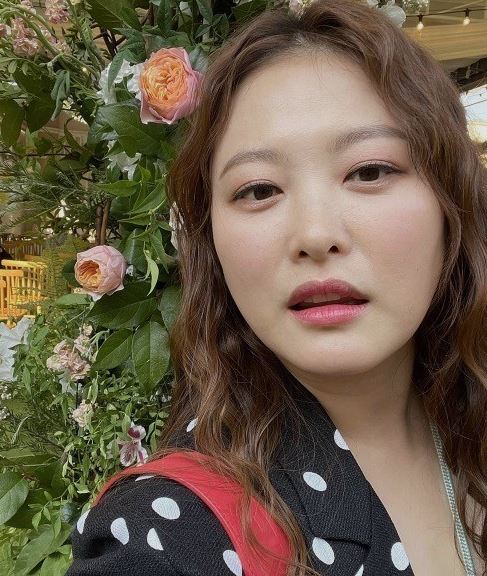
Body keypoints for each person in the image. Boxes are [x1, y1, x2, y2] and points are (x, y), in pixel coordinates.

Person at [67, 1, 487, 574]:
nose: (315, 235)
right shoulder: (168, 533)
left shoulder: (469, 429)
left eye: (369, 171)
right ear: (210, 242)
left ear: (451, 204)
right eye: (259, 190)